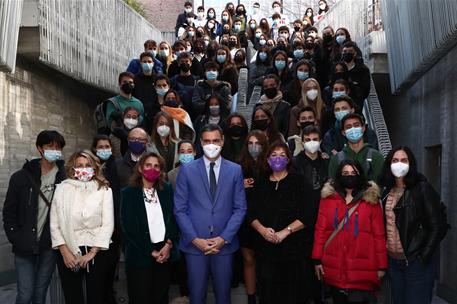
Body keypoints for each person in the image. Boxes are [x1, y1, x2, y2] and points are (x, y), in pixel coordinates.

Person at [174, 124, 247, 304]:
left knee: (224, 297)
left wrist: (224, 238)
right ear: (200, 143)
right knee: (196, 296)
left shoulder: (235, 170)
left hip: (224, 246)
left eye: (215, 140)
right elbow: (180, 209)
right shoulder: (187, 170)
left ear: (222, 141)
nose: (211, 145)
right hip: (194, 246)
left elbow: (240, 208)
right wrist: (194, 239)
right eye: (207, 141)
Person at [3, 130, 66, 304]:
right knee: (25, 294)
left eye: (58, 147)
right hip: (24, 244)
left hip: (49, 246)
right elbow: (9, 212)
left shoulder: (65, 177)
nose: (54, 150)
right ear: (39, 148)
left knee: (40, 294)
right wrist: (16, 237)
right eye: (49, 146)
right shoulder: (20, 177)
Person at [313, 159, 387, 304]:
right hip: (335, 270)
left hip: (363, 272)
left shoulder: (371, 200)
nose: (349, 176)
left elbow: (379, 235)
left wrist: (382, 266)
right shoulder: (328, 199)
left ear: (360, 175)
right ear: (339, 175)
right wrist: (316, 259)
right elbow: (320, 230)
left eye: (354, 173)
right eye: (345, 173)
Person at [380, 146, 446, 304]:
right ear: (389, 164)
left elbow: (438, 226)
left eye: (404, 160)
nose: (399, 164)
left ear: (411, 164)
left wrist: (423, 257)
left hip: (416, 264)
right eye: (395, 160)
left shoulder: (421, 188)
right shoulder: (386, 192)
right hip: (393, 264)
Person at [248, 141, 311, 304]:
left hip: (294, 250)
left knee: (293, 295)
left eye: (282, 155)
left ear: (289, 159)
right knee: (267, 293)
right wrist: (262, 230)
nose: (278, 159)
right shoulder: (260, 183)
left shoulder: (300, 181)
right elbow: (250, 212)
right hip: (266, 249)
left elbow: (308, 213)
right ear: (268, 160)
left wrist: (285, 231)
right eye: (274, 155)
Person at [50, 150, 114, 304]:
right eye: (80, 165)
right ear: (73, 169)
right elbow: (54, 224)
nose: (84, 169)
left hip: (97, 250)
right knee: (73, 297)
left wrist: (92, 253)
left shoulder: (104, 190)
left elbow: (108, 224)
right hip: (68, 249)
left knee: (97, 296)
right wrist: (65, 252)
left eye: (88, 165)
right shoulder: (62, 189)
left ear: (94, 168)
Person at [292, 125, 328, 303]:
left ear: (320, 141)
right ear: (302, 140)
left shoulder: (326, 161)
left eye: (315, 139)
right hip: (302, 220)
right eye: (308, 140)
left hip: (324, 219)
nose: (311, 143)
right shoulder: (295, 163)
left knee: (321, 263)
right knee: (304, 265)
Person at [238, 130, 268, 304]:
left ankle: (264, 293)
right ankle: (250, 298)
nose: (254, 147)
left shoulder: (271, 165)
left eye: (257, 143)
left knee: (264, 260)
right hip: (245, 219)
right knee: (248, 259)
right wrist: (239, 185)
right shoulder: (239, 167)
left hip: (266, 219)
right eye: (250, 143)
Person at [91, 135, 121, 304]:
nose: (104, 149)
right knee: (97, 272)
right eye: (100, 146)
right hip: (93, 228)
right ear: (94, 148)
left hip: (113, 227)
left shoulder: (116, 166)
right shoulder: (88, 167)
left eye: (106, 146)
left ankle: (109, 297)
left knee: (110, 266)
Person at [328, 113, 384, 183]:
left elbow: (380, 186)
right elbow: (332, 187)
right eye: (348, 127)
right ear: (343, 132)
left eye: (356, 125)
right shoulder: (336, 159)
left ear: (363, 128)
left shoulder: (376, 157)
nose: (353, 129)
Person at [342, 41, 370, 109]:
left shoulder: (363, 69)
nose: (347, 53)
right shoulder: (338, 68)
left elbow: (365, 90)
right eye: (345, 51)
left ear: (355, 54)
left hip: (356, 103)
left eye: (350, 51)